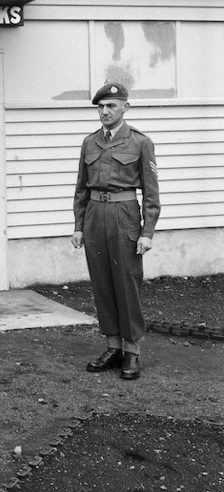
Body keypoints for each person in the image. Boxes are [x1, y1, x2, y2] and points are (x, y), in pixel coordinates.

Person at [71, 82, 160, 380]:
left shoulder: (140, 142)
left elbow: (151, 193)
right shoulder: (90, 142)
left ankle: (132, 351)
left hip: (124, 217)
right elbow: (81, 189)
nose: (105, 111)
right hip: (95, 215)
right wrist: (78, 226)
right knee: (102, 283)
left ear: (125, 107)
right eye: (100, 106)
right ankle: (112, 346)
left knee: (126, 283)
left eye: (111, 105)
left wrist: (147, 232)